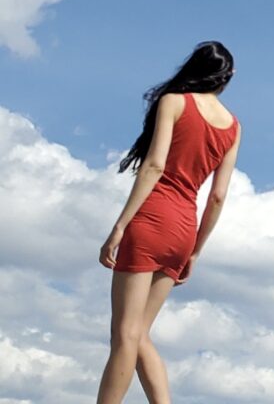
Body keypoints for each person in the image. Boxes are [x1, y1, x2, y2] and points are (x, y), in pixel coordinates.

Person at [95, 41, 241, 404]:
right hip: (183, 231)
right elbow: (218, 196)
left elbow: (155, 165)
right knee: (141, 334)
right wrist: (195, 252)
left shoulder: (174, 101)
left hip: (152, 217)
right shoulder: (233, 127)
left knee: (125, 333)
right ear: (228, 76)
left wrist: (119, 226)